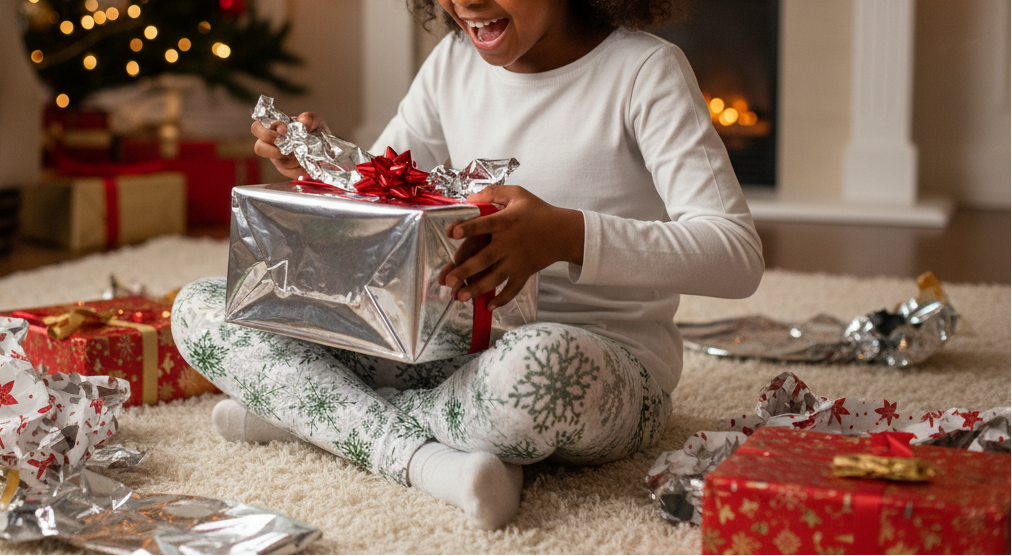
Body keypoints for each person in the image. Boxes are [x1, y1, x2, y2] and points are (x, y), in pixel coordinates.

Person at [172, 0, 764, 530]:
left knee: (541, 369)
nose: (467, 2)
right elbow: (385, 204)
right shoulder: (452, 61)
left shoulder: (644, 71)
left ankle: (317, 410)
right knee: (202, 307)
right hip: (445, 350)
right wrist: (320, 172)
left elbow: (735, 256)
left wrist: (565, 235)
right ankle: (429, 460)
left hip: (591, 364)